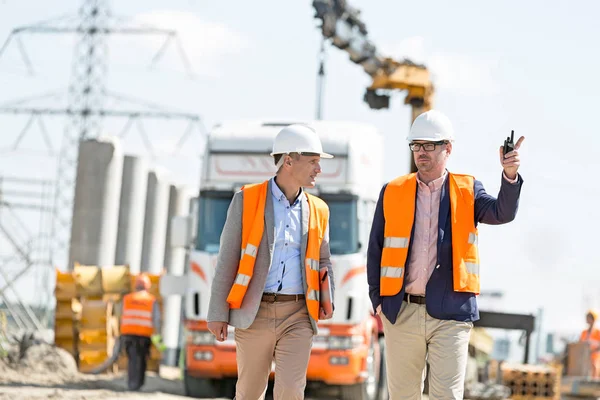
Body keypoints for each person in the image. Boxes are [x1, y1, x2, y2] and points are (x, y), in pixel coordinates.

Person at [366, 110, 525, 399]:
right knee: (402, 396)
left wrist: (510, 176)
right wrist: (377, 299)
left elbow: (502, 213)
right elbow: (375, 248)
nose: (421, 152)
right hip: (401, 312)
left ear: (447, 148)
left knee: (447, 396)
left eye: (429, 145)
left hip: (451, 314)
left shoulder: (467, 190)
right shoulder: (392, 191)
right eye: (416, 145)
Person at [207, 124, 335, 400]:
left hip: (299, 314)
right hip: (255, 313)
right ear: (288, 160)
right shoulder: (247, 199)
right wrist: (218, 312)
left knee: (291, 391)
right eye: (313, 161)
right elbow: (228, 257)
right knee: (250, 392)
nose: (319, 169)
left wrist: (328, 300)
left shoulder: (319, 209)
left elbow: (323, 259)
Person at [119, 273, 163, 391]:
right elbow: (157, 319)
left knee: (132, 359)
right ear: (147, 286)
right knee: (142, 359)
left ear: (136, 285)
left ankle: (131, 383)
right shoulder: (151, 300)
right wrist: (158, 335)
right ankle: (139, 383)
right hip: (144, 335)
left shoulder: (127, 298)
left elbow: (120, 315)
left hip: (128, 334)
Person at [579, 309, 600, 378]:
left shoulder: (597, 332)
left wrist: (592, 350)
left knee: (595, 369)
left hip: (595, 356)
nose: (587, 319)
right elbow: (580, 344)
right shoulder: (584, 332)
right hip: (585, 356)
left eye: (588, 317)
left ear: (593, 319)